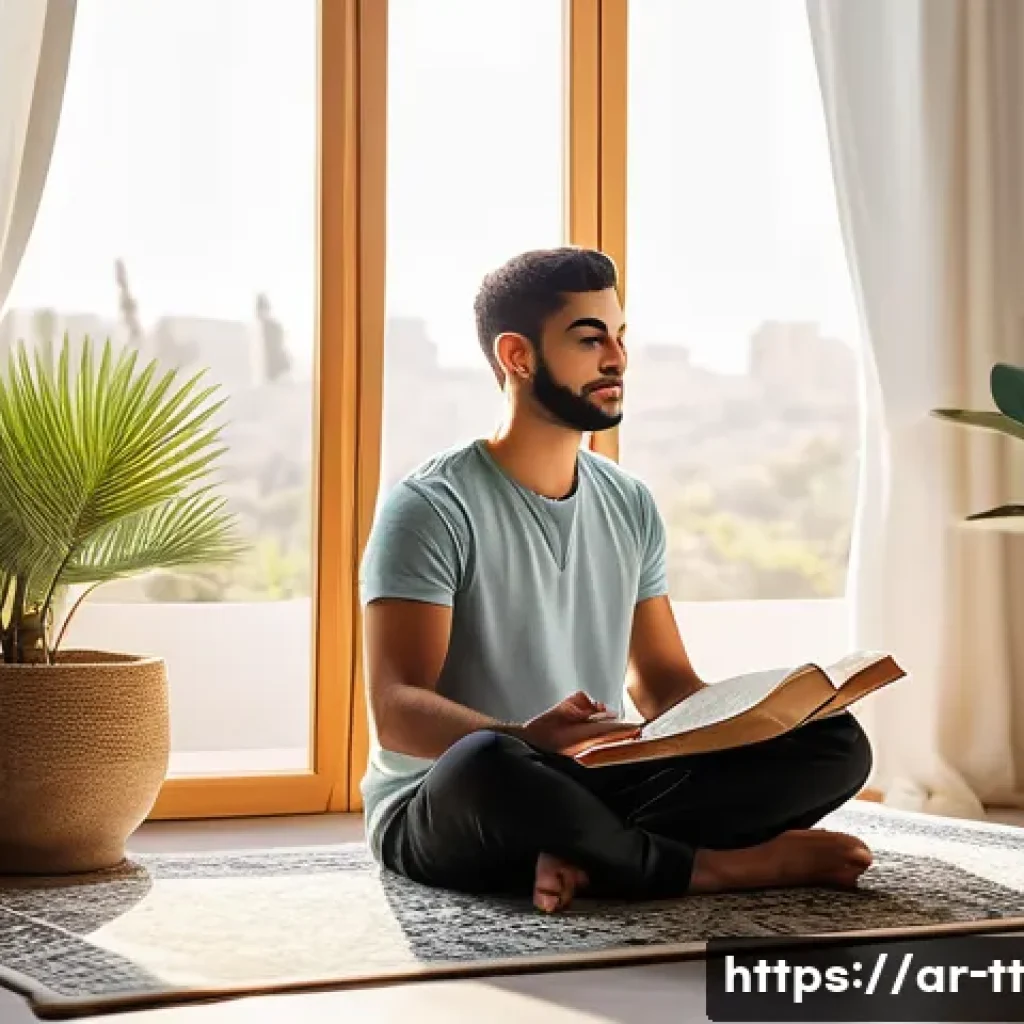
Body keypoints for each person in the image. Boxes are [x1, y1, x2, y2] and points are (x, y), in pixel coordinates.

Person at [359, 247, 874, 913]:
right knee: (487, 761)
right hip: (456, 801)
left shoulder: (628, 501)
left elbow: (664, 685)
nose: (617, 359)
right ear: (517, 356)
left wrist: (764, 714)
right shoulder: (429, 506)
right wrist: (527, 740)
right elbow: (397, 709)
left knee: (834, 743)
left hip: (596, 782)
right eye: (589, 338)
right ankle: (713, 869)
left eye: (621, 337)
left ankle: (590, 854)